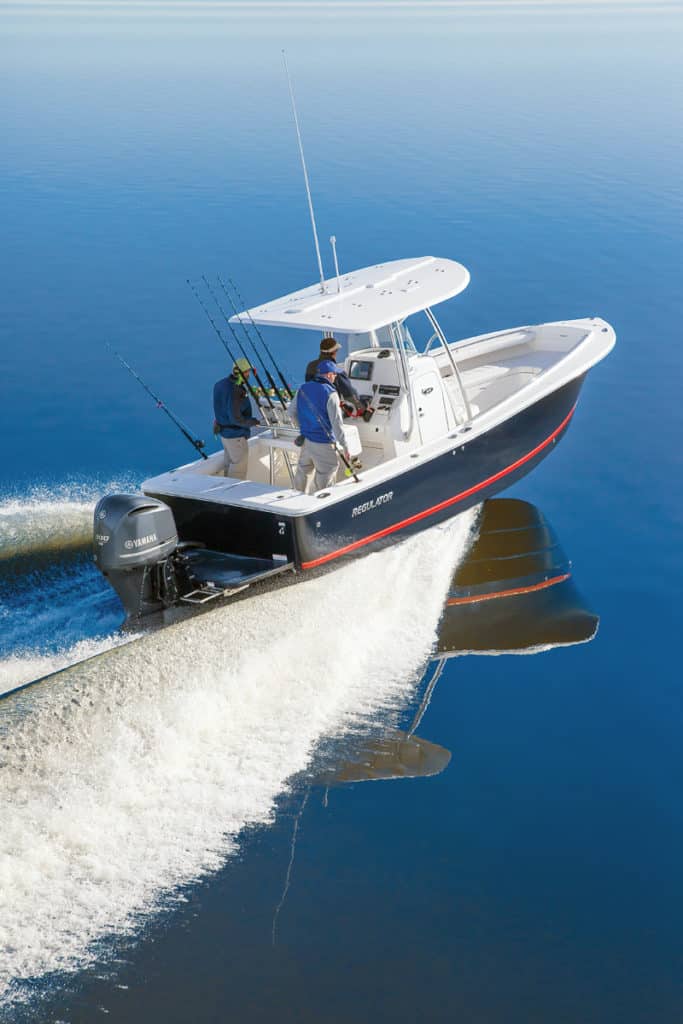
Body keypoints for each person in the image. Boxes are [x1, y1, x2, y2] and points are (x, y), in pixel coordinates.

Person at [291, 360, 351, 493]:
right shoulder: (331, 393)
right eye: (334, 374)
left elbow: (291, 412)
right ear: (329, 375)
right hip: (324, 443)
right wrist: (345, 446)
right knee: (326, 475)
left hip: (307, 441)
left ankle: (297, 499)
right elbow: (337, 423)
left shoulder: (302, 388)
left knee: (303, 472)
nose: (335, 376)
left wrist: (304, 429)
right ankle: (321, 502)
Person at [213, 357, 260, 478]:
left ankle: (225, 488)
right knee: (238, 469)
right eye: (248, 372)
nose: (249, 375)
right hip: (236, 437)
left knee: (229, 464)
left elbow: (220, 408)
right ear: (244, 372)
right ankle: (233, 489)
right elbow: (235, 418)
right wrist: (253, 422)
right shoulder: (237, 390)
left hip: (224, 434)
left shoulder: (219, 384)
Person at [305, 336, 366, 414]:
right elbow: (349, 394)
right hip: (330, 411)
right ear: (334, 352)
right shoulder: (336, 370)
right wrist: (362, 406)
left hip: (313, 409)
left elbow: (309, 385)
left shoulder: (310, 366)